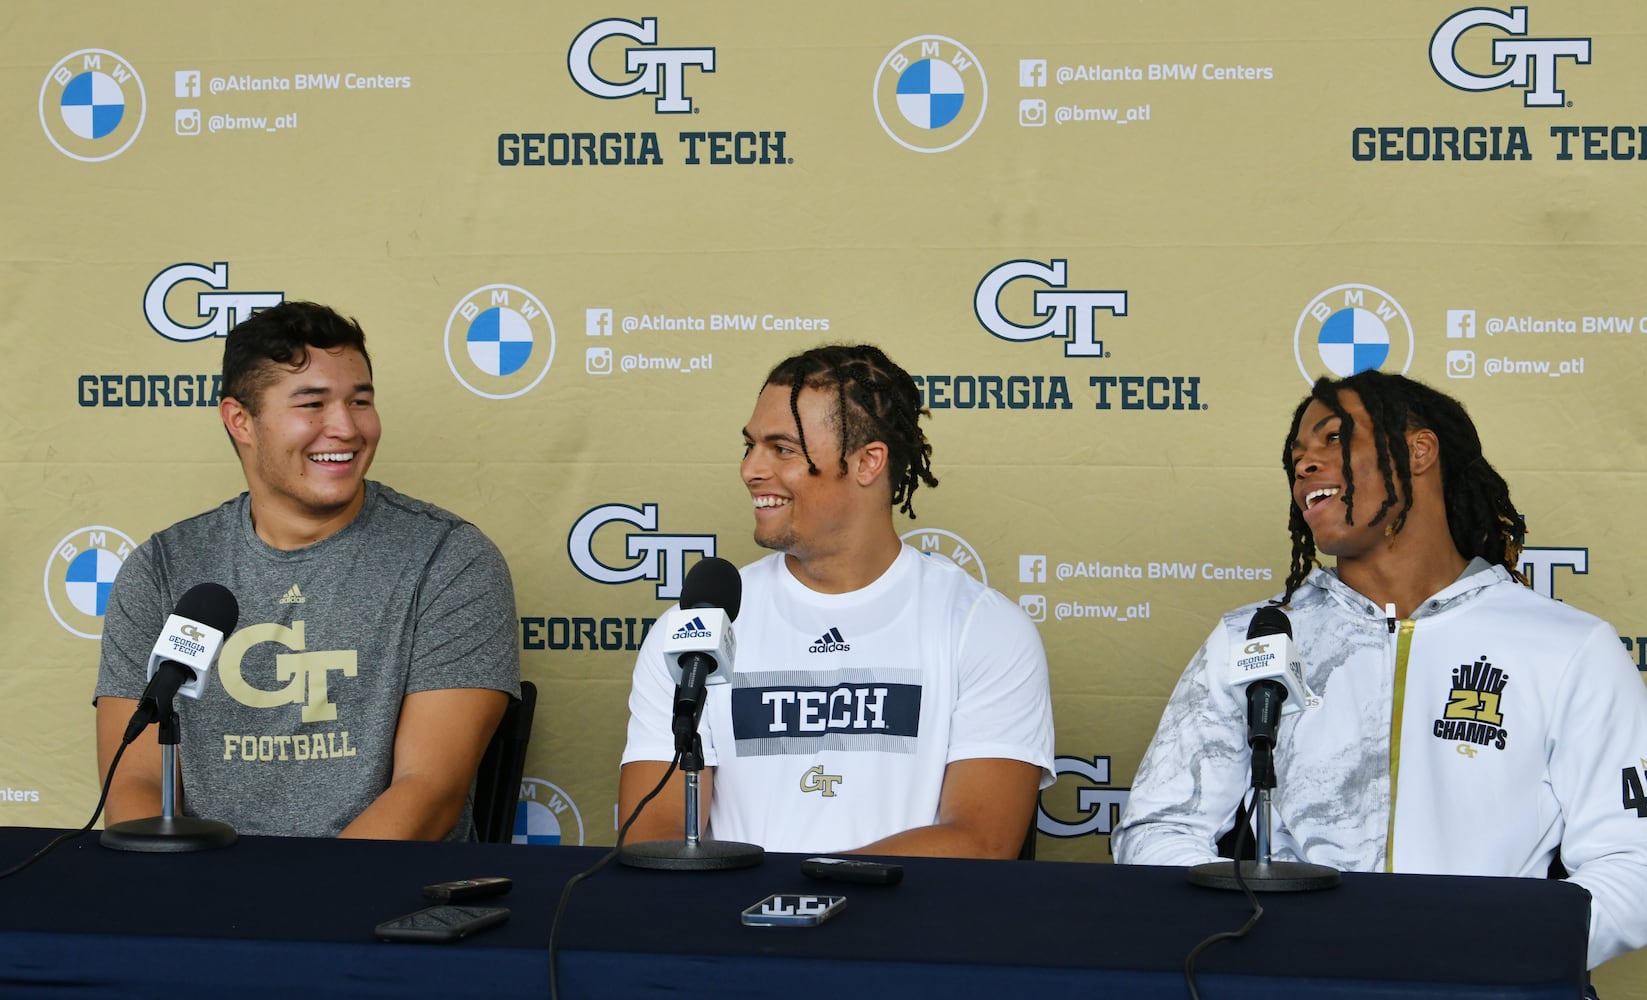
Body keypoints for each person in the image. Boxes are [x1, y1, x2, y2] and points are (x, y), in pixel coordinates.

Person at [1113, 370, 1647, 968]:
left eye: (1333, 439)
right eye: (1297, 456)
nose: (1306, 465)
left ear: (1420, 450)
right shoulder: (1254, 637)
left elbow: (1633, 862)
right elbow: (1158, 830)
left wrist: (1492, 953)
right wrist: (1264, 944)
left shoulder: (1568, 646)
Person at [93, 301, 519, 840]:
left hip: (382, 899)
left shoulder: (450, 560)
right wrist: (186, 897)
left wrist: (304, 908)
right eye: (313, 404)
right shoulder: (162, 568)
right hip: (200, 900)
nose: (345, 427)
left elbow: (429, 791)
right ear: (240, 420)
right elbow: (134, 782)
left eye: (360, 401)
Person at [618, 344, 1055, 858]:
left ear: (868, 461)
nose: (751, 470)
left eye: (782, 449)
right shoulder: (695, 628)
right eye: (750, 446)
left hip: (910, 931)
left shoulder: (984, 627)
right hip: (732, 930)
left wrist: (806, 895)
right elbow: (653, 836)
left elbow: (981, 841)